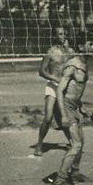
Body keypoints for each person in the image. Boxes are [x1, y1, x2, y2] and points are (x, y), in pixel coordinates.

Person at [51, 32, 93, 185]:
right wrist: (63, 115)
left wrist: (81, 106)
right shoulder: (72, 65)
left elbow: (74, 89)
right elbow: (60, 91)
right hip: (66, 107)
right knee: (76, 144)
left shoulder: (83, 63)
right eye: (90, 44)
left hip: (74, 106)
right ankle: (59, 180)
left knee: (80, 142)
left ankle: (75, 173)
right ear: (81, 46)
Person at [33, 26, 72, 157]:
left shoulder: (70, 52)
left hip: (64, 88)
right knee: (48, 117)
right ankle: (39, 144)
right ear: (55, 36)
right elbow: (41, 71)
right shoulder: (50, 52)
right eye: (59, 34)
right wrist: (55, 78)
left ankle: (72, 142)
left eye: (64, 34)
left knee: (64, 117)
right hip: (53, 87)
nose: (62, 36)